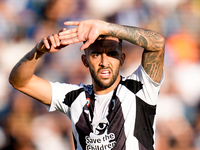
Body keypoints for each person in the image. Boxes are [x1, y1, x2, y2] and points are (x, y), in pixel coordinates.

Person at [9, 19, 165, 150]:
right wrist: (38, 51)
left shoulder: (139, 87)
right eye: (96, 54)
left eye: (112, 54)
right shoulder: (74, 97)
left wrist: (104, 27)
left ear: (122, 59)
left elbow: (157, 43)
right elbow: (20, 82)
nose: (104, 62)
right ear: (85, 61)